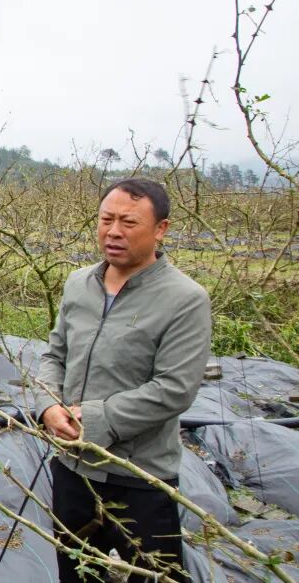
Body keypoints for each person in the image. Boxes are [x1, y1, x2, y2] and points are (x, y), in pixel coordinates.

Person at [35, 179, 211, 583]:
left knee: (155, 576)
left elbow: (174, 388)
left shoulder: (184, 299)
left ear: (161, 229)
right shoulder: (78, 284)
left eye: (129, 222)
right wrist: (47, 405)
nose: (113, 231)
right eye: (106, 220)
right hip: (73, 468)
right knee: (76, 571)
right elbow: (54, 355)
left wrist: (93, 420)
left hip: (139, 476)